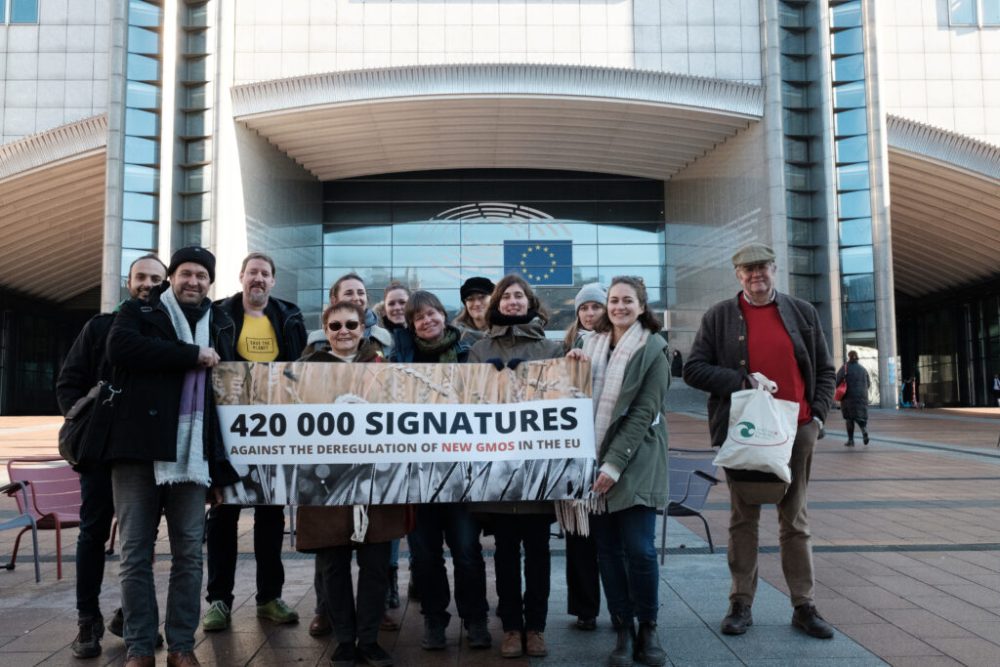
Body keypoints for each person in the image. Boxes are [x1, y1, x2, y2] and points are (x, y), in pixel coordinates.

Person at [684, 243, 836, 640]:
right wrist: (741, 381)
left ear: (774, 269)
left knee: (795, 520)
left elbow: (825, 369)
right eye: (748, 270)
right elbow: (694, 369)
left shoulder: (801, 312)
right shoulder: (719, 316)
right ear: (738, 275)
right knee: (743, 519)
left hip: (797, 430)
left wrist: (817, 417)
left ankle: (803, 605)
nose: (757, 276)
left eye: (763, 268)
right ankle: (740, 603)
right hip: (745, 431)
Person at [106, 246, 239, 667]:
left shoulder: (219, 324)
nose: (193, 281)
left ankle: (182, 645)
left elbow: (222, 401)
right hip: (137, 451)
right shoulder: (140, 312)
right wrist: (190, 355)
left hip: (192, 457)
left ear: (209, 283)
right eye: (185, 273)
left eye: (202, 275)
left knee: (189, 553)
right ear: (171, 277)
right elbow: (122, 349)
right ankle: (140, 646)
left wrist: (218, 470)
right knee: (135, 552)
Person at [56, 254, 166, 659]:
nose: (148, 285)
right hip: (103, 453)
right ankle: (88, 620)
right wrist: (87, 423)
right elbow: (68, 383)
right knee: (93, 534)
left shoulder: (166, 328)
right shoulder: (99, 327)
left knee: (142, 539)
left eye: (156, 279)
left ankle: (130, 615)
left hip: (144, 453)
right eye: (141, 277)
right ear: (129, 281)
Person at [296, 301, 408, 667]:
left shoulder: (384, 369)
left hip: (377, 481)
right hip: (325, 482)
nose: (343, 331)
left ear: (363, 328)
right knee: (333, 565)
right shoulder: (304, 370)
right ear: (325, 330)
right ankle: (345, 639)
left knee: (376, 564)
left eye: (351, 324)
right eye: (335, 325)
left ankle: (370, 638)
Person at [566, 276, 670, 666]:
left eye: (627, 300)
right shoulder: (588, 344)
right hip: (593, 461)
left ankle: (649, 627)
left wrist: (613, 464)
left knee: (640, 550)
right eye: (613, 300)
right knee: (607, 552)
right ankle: (623, 627)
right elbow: (572, 399)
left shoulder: (653, 348)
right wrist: (571, 368)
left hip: (636, 459)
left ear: (641, 306)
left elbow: (644, 412)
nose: (618, 307)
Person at [202, 252, 306, 632]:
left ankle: (269, 598)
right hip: (228, 433)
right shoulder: (219, 314)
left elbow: (301, 370)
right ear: (241, 277)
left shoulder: (290, 316)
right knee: (223, 516)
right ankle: (218, 600)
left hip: (275, 433)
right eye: (252, 273)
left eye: (265, 273)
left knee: (270, 517)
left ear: (273, 281)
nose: (258, 279)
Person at [388, 291, 491, 651]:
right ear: (411, 324)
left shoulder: (468, 353)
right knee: (425, 554)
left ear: (443, 317)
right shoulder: (398, 357)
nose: (427, 321)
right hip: (417, 476)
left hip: (461, 471)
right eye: (419, 318)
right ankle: (434, 620)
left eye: (432, 314)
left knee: (466, 550)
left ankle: (476, 619)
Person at [468, 274, 563, 658]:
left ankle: (535, 628)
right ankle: (511, 627)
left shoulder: (551, 347)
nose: (512, 301)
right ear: (497, 304)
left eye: (519, 296)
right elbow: (469, 404)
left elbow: (563, 401)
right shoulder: (479, 349)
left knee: (539, 553)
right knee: (505, 554)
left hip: (539, 473)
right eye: (505, 296)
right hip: (498, 473)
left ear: (530, 302)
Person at [560, 282, 607, 632]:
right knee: (579, 537)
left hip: (606, 450)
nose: (590, 313)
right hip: (576, 457)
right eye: (584, 308)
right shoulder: (567, 347)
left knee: (611, 538)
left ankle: (622, 607)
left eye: (596, 306)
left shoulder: (619, 346)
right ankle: (585, 609)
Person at [836, 350, 871, 447]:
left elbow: (837, 380)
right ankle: (864, 430)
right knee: (860, 417)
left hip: (848, 398)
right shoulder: (863, 369)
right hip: (862, 397)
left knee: (849, 418)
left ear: (849, 357)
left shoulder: (845, 368)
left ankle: (851, 441)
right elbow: (868, 383)